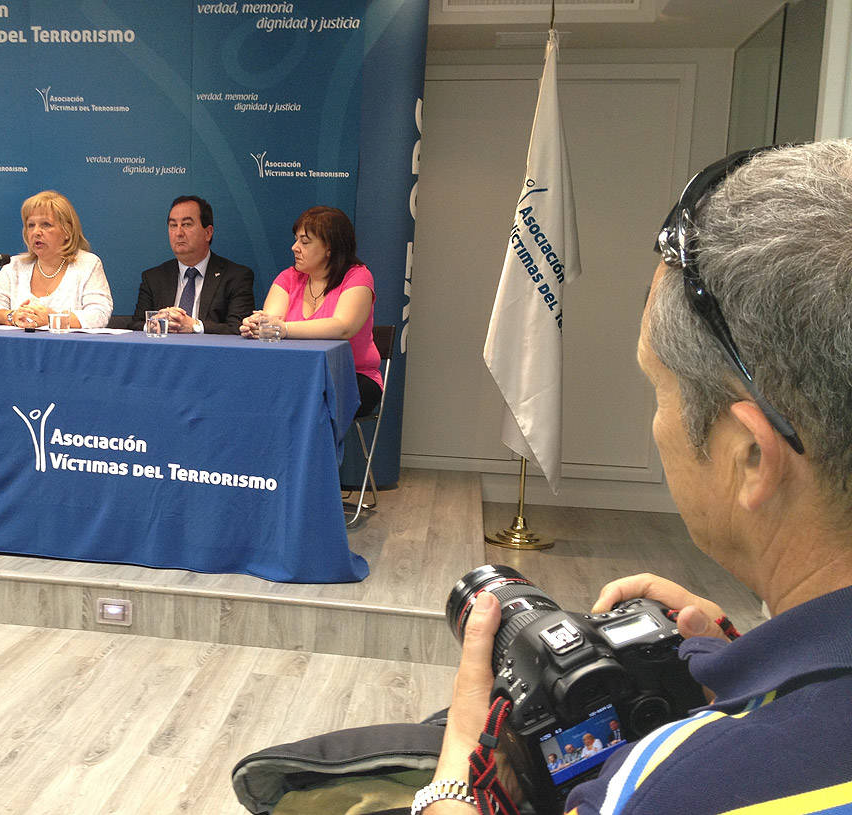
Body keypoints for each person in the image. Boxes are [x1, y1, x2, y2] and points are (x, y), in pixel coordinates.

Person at [417, 141, 852, 814]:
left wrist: (457, 767)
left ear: (750, 455)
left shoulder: (670, 787)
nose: (656, 424)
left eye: (659, 390)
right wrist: (743, 663)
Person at [240, 206, 382, 416]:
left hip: (352, 377)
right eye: (296, 240)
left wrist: (283, 329)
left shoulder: (358, 276)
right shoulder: (289, 277)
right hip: (296, 375)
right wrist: (258, 325)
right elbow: (271, 323)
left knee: (299, 402)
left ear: (330, 247)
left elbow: (343, 327)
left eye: (305, 242)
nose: (294, 247)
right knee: (251, 393)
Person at [0, 190, 112, 329]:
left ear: (67, 231)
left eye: (46, 224)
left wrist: (52, 319)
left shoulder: (87, 264)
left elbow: (99, 315)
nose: (36, 232)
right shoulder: (14, 265)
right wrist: (12, 316)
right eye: (31, 225)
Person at [128, 195, 255, 334]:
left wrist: (195, 326)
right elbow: (136, 325)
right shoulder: (153, 278)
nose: (178, 233)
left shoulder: (236, 277)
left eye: (187, 224)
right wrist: (154, 325)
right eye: (173, 225)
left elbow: (239, 328)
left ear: (208, 233)